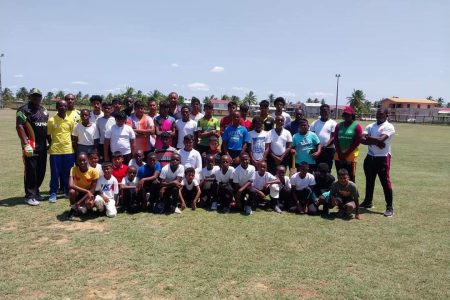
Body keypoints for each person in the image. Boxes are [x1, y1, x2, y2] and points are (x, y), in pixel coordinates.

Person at [360, 108, 395, 217]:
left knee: (385, 183)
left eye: (381, 114)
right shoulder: (371, 126)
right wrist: (378, 142)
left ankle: (389, 207)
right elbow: (361, 139)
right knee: (369, 181)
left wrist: (370, 139)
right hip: (370, 157)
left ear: (386, 115)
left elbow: (381, 140)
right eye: (377, 114)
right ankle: (368, 202)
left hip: (383, 158)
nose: (379, 116)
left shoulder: (388, 126)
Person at [16, 88, 49, 205]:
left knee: (41, 170)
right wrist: (25, 144)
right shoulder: (23, 110)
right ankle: (29, 195)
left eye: (38, 96)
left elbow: (46, 128)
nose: (36, 98)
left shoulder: (44, 110)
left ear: (41, 97)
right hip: (31, 146)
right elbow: (19, 127)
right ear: (30, 97)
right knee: (31, 171)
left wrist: (48, 142)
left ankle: (36, 192)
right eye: (34, 96)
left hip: (43, 146)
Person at [47, 99, 75, 203]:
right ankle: (53, 193)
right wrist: (53, 144)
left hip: (68, 151)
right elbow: (48, 136)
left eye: (65, 106)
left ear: (67, 107)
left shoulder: (70, 121)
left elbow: (72, 135)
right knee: (55, 173)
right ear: (56, 107)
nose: (63, 107)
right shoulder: (51, 120)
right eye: (60, 106)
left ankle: (67, 191)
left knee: (68, 173)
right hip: (55, 151)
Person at [333, 106, 362, 182]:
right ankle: (340, 193)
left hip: (350, 156)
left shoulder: (357, 126)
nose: (346, 116)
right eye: (344, 114)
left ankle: (351, 193)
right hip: (338, 155)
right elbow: (335, 140)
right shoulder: (338, 126)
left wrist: (346, 154)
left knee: (350, 177)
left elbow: (357, 142)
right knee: (340, 177)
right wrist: (340, 153)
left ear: (352, 115)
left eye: (348, 114)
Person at [67, 152, 99, 220]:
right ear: (77, 161)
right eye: (80, 160)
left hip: (88, 195)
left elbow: (92, 190)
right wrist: (86, 191)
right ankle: (73, 210)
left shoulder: (94, 171)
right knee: (71, 191)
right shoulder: (73, 169)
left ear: (88, 160)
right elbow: (70, 185)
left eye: (84, 160)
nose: (82, 162)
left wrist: (79, 202)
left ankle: (86, 208)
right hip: (78, 192)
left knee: (89, 203)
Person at [310, 104, 337, 172]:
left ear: (329, 112)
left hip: (328, 150)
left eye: (326, 111)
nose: (324, 113)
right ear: (320, 112)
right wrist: (318, 148)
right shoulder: (314, 123)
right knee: (316, 170)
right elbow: (311, 136)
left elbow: (333, 137)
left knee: (327, 170)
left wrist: (324, 147)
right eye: (322, 111)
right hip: (316, 150)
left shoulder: (333, 123)